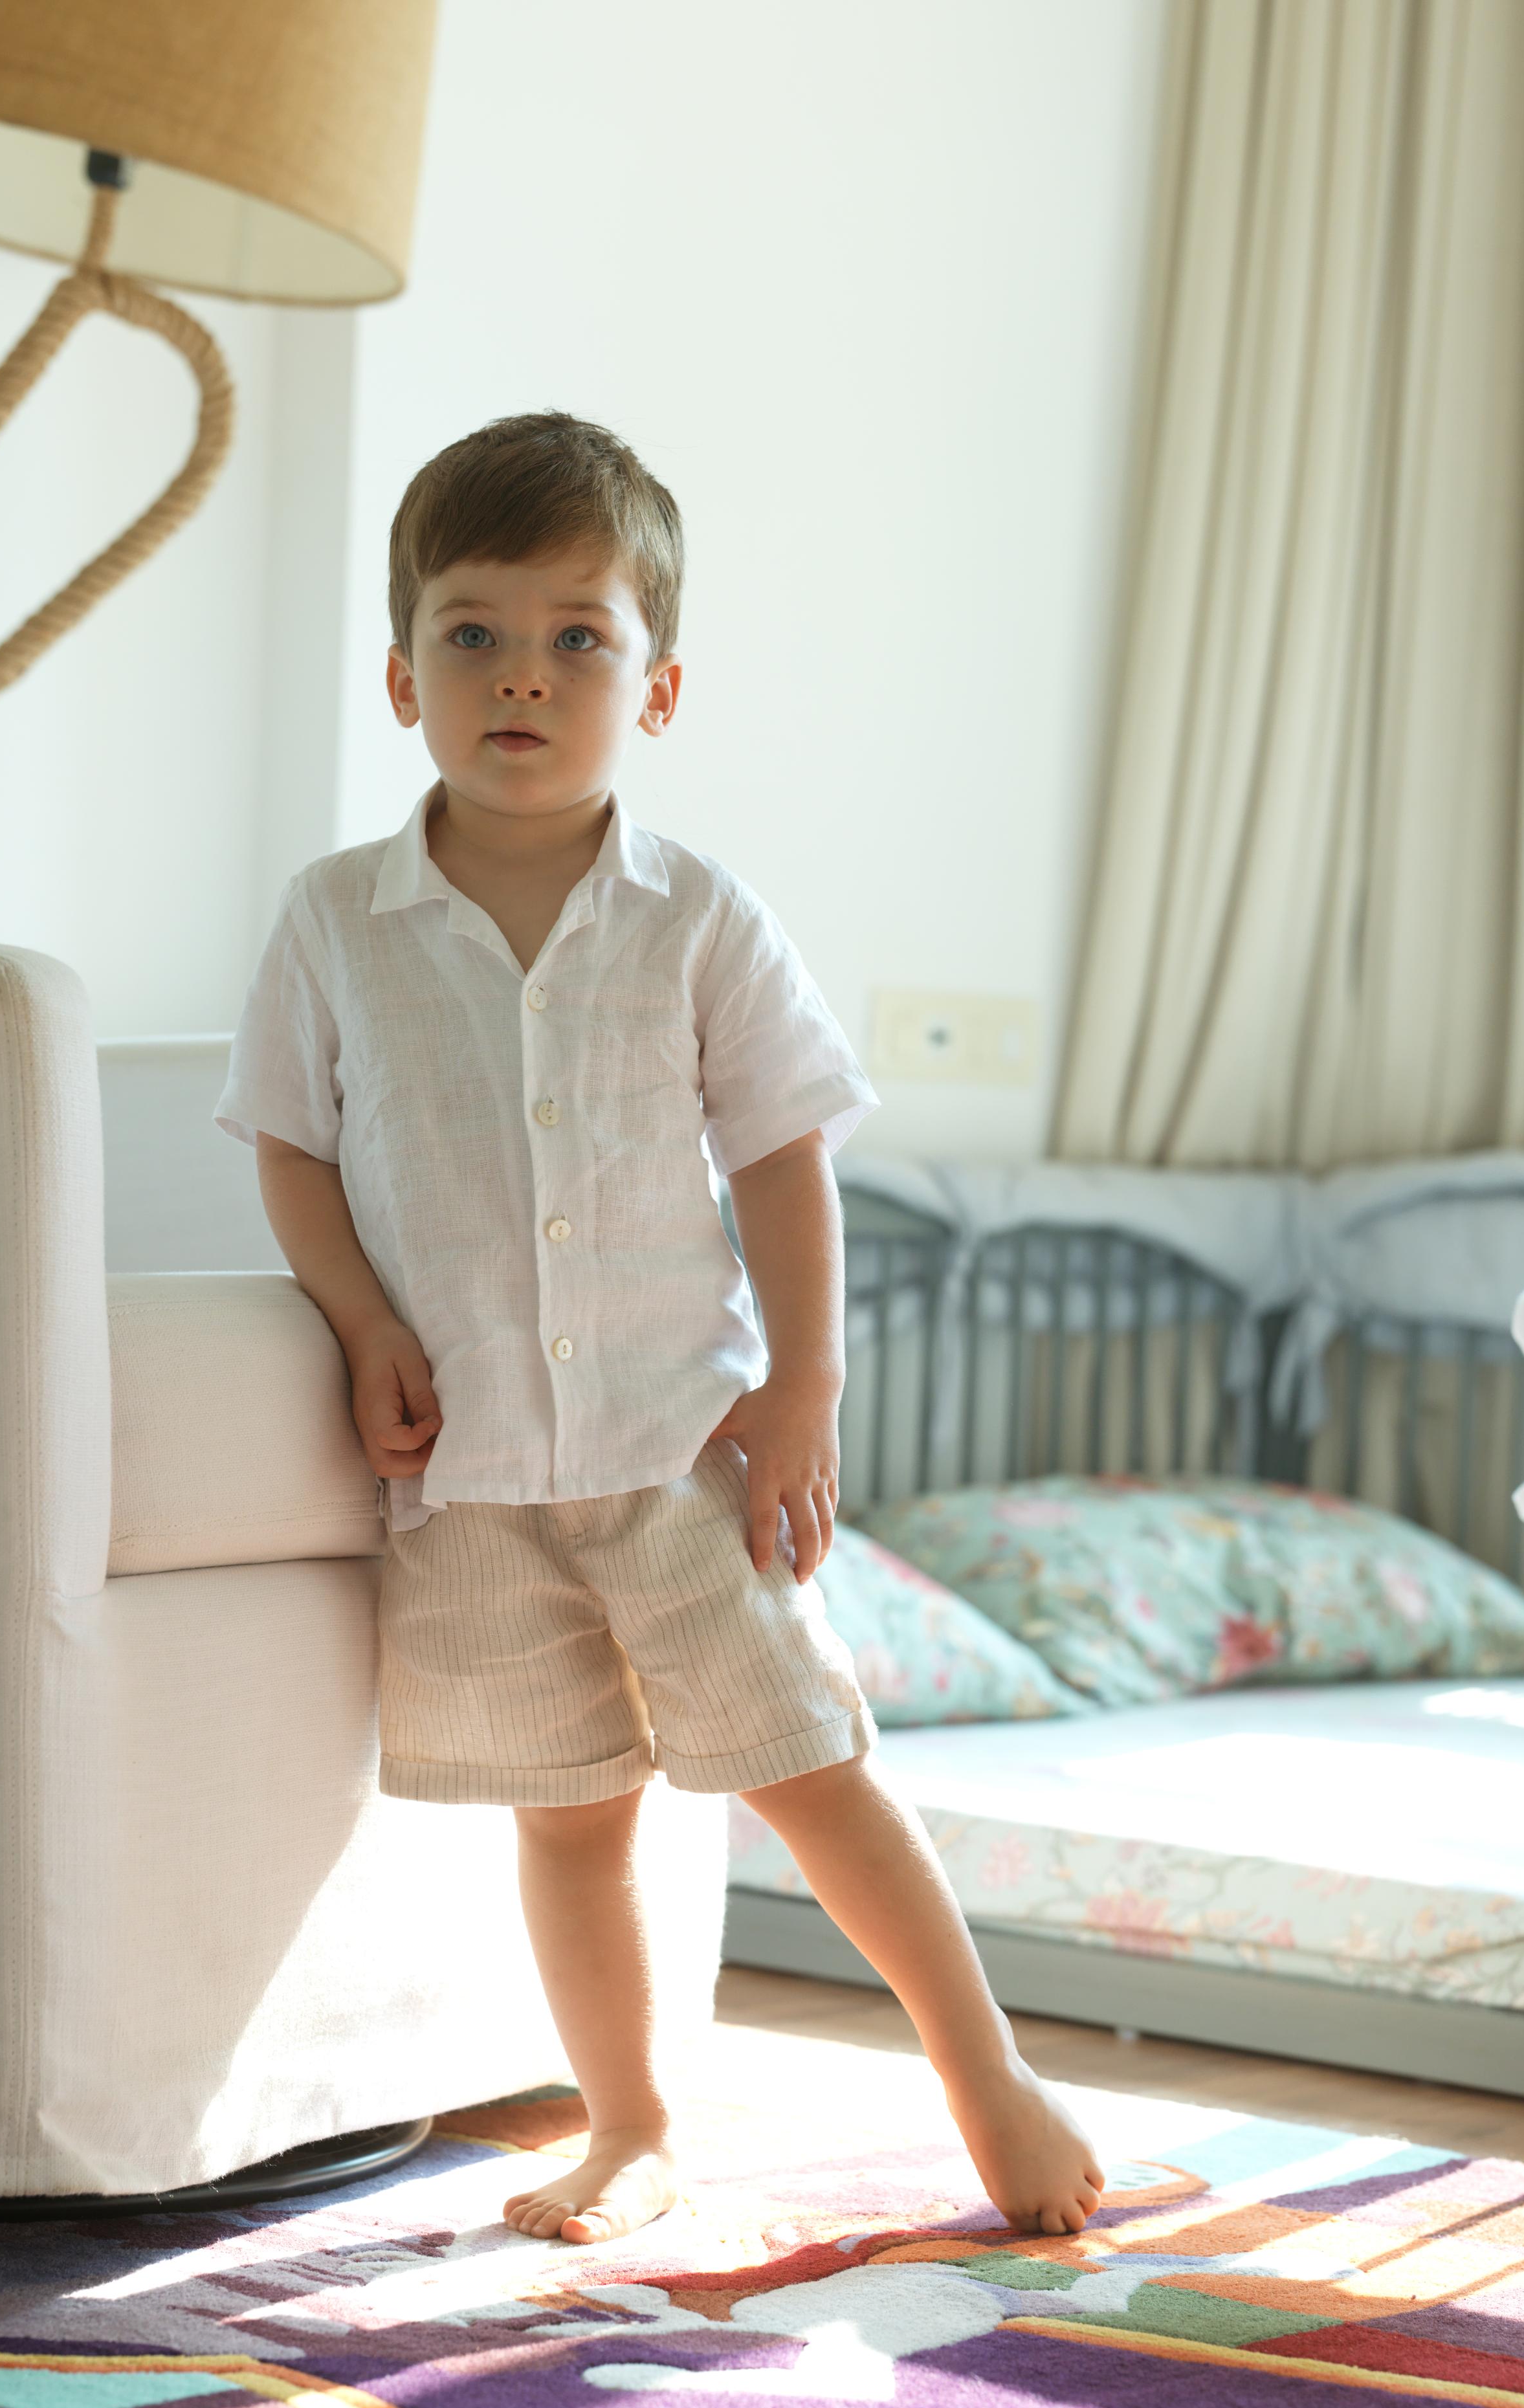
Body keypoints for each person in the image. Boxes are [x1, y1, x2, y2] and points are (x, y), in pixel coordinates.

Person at [217, 412, 1104, 2246]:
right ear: (402, 673)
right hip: (468, 1479)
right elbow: (294, 1155)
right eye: (471, 634)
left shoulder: (698, 917)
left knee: (811, 1770)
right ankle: (628, 2127)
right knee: (571, 1814)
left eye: (576, 637)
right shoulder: (332, 922)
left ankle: (986, 2078)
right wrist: (362, 1317)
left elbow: (782, 1158)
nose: (519, 676)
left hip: (681, 1448)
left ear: (658, 685)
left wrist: (805, 1385)